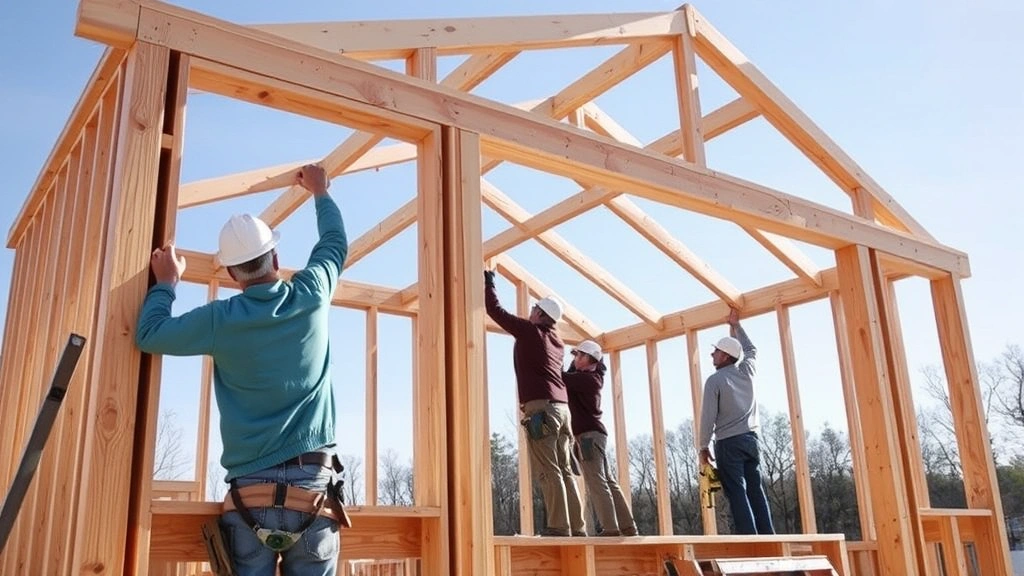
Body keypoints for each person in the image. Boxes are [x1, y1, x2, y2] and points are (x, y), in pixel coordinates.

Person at [136, 164, 349, 575]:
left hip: (249, 500)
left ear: (233, 274)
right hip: (313, 494)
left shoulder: (221, 319)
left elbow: (150, 335)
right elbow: (335, 244)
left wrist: (166, 283)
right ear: (275, 256)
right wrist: (320, 193)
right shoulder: (311, 292)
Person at [483, 270, 585, 537]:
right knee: (564, 470)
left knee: (549, 470)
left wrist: (489, 282)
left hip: (542, 409)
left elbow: (495, 311)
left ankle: (559, 528)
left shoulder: (531, 332)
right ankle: (578, 527)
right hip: (562, 410)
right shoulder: (557, 341)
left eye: (534, 308)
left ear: (540, 315)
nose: (530, 310)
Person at [698, 308, 775, 535]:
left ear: (725, 356)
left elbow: (708, 417)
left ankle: (750, 540)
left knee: (736, 492)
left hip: (729, 443)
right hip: (751, 440)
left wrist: (703, 447)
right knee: (755, 490)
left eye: (715, 352)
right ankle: (767, 537)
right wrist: (736, 326)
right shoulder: (747, 371)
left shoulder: (715, 381)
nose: (712, 355)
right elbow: (750, 349)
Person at [563, 340, 638, 537]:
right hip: (592, 435)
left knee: (596, 481)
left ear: (592, 361)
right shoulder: (587, 377)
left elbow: (562, 378)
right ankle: (628, 527)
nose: (576, 359)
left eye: (580, 356)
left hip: (588, 436)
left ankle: (611, 529)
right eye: (576, 355)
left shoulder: (588, 379)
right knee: (608, 481)